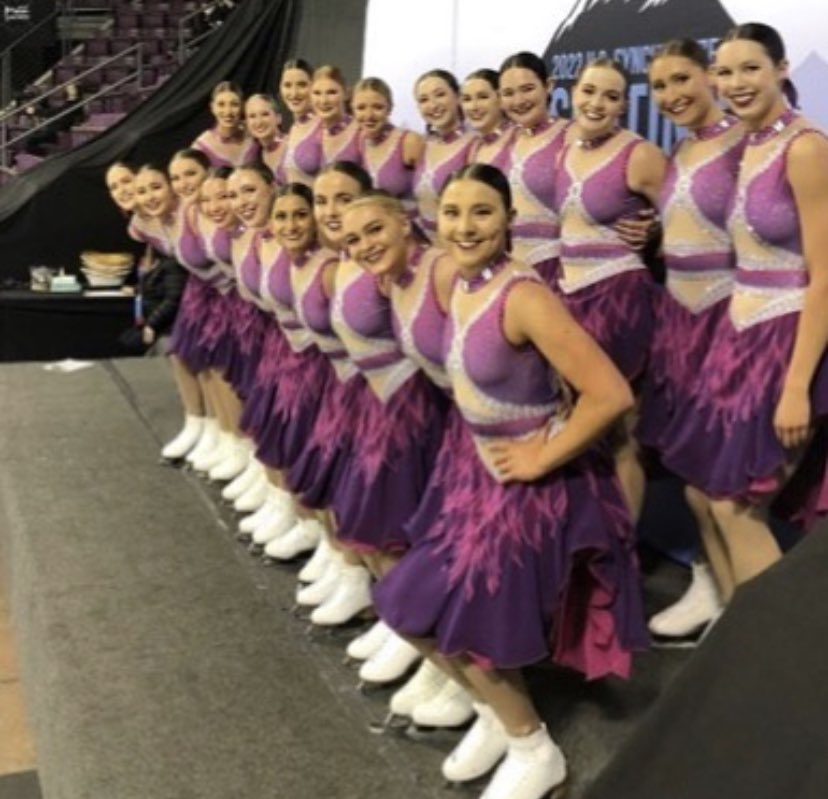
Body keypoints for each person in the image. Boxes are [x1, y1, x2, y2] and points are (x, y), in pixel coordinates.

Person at [373, 164, 646, 799]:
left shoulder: (524, 295)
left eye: (482, 213)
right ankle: (505, 720)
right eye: (453, 213)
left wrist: (541, 457)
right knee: (414, 608)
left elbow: (609, 393)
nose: (465, 226)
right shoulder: (462, 283)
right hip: (472, 473)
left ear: (509, 221)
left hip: (523, 490)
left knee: (449, 614)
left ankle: (532, 748)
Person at [659, 22, 828, 594]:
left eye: (750, 68)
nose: (736, 82)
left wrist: (798, 384)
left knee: (737, 507)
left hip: (786, 339)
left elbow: (825, 275)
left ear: (781, 69)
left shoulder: (805, 147)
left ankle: (771, 668)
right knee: (703, 492)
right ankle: (734, 640)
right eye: (725, 72)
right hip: (737, 335)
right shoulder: (750, 144)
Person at [639, 39, 746, 638]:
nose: (672, 94)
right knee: (694, 480)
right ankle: (718, 593)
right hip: (680, 325)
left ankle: (751, 622)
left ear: (711, 77)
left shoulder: (745, 144)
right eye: (660, 86)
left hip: (730, 323)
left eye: (682, 79)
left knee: (727, 486)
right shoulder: (680, 150)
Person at [553, 58, 666, 520]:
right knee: (579, 426)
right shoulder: (565, 145)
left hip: (618, 301)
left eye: (611, 96)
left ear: (624, 104)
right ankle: (589, 543)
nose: (597, 103)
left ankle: (622, 553)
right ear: (572, 92)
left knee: (622, 429)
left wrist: (656, 232)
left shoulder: (639, 154)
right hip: (569, 298)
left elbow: (692, 220)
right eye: (590, 91)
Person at [498, 52, 569, 285]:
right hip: (509, 270)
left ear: (548, 86)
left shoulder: (571, 135)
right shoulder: (498, 144)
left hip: (559, 272)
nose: (518, 101)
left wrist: (644, 224)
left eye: (527, 89)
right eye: (508, 93)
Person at [411, 69, 475, 242]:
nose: (432, 105)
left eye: (439, 95)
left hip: (461, 247)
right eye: (423, 100)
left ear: (457, 96)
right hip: (427, 251)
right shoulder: (421, 145)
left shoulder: (475, 143)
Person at [352, 77, 423, 213]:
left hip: (410, 227)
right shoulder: (359, 142)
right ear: (353, 110)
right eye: (361, 108)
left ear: (390, 108)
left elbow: (432, 192)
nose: (369, 115)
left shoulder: (409, 141)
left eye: (377, 107)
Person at [276, 58, 323, 186]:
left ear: (313, 86)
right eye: (287, 85)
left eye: (301, 85)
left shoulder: (324, 126)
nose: (294, 93)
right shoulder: (293, 129)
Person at [192, 81, 259, 167]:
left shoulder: (253, 134)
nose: (228, 112)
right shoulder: (202, 146)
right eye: (221, 104)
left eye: (234, 104)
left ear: (242, 106)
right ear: (212, 108)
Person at [462, 68, 514, 170]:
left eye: (483, 97)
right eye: (467, 99)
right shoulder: (474, 147)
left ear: (501, 98)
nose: (474, 107)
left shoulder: (518, 137)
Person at [311, 65, 362, 167]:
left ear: (346, 94)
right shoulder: (311, 132)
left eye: (331, 92)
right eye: (317, 93)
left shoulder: (360, 130)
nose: (323, 101)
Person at [244, 94, 284, 176]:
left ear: (278, 118)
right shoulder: (253, 156)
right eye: (252, 116)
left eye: (265, 114)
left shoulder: (291, 145)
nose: (259, 122)